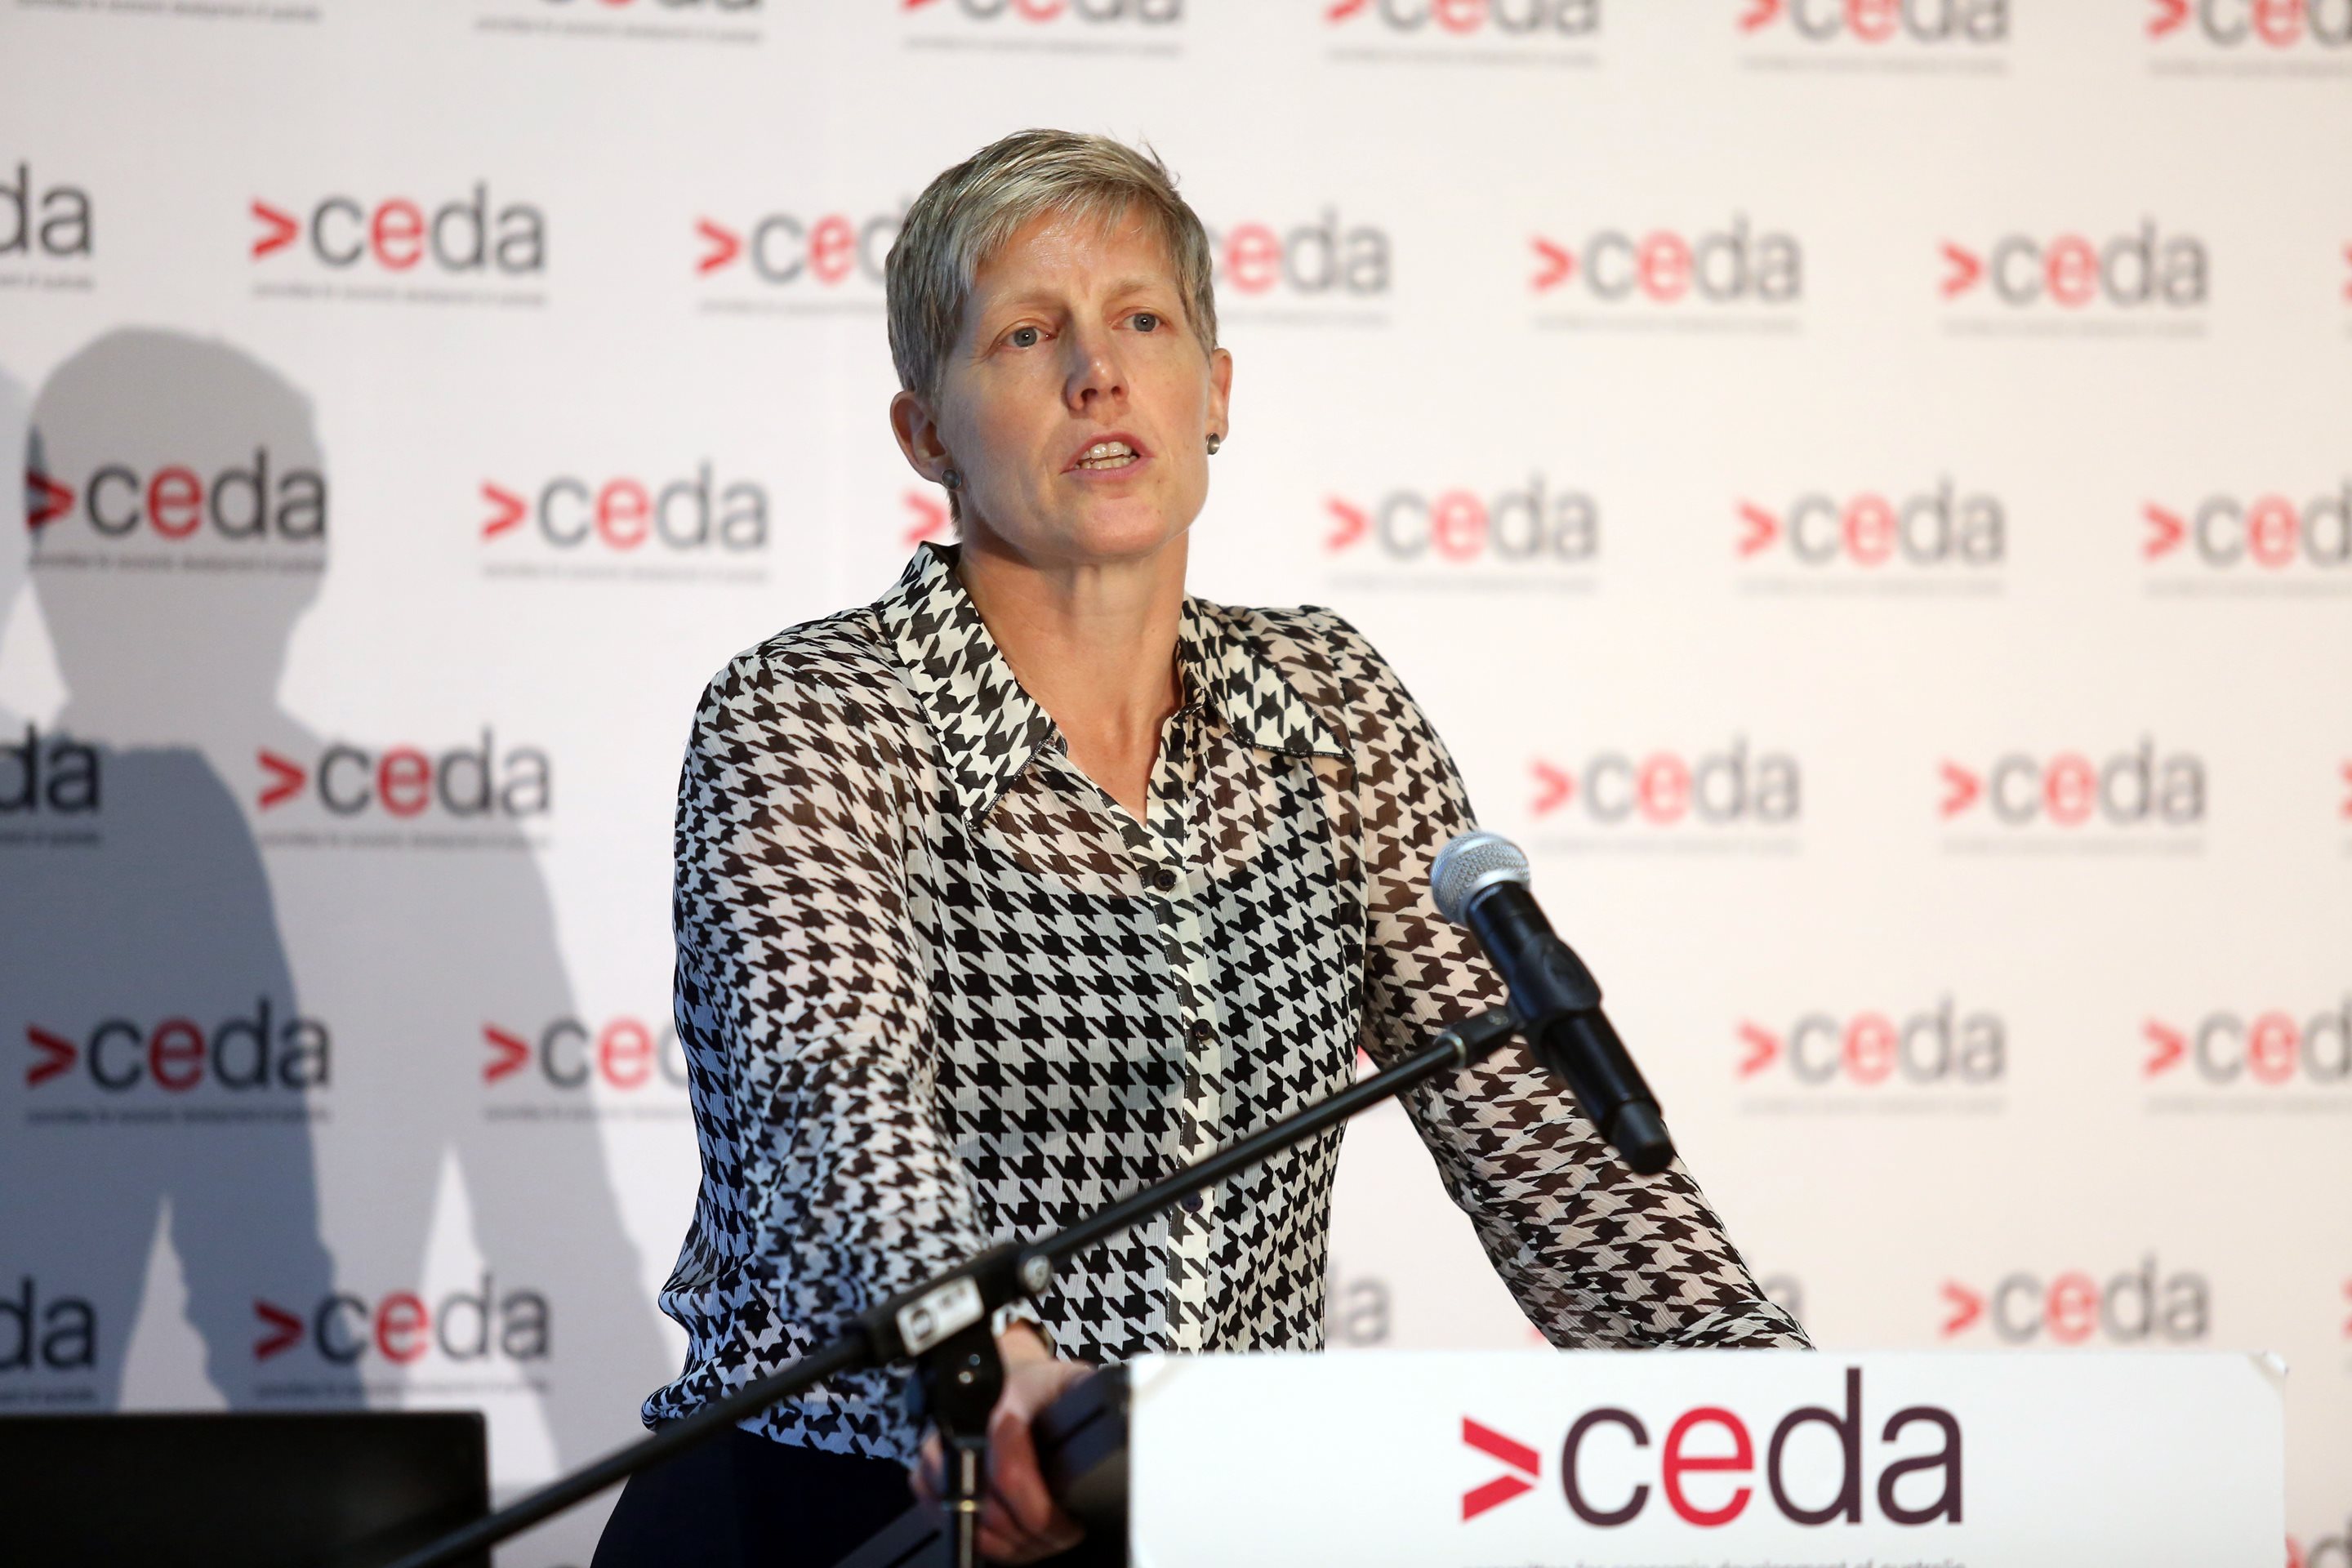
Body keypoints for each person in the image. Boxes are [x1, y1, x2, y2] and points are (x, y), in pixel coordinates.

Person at [594, 128, 1807, 1568]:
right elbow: (834, 1106)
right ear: (927, 435)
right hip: (849, 1511)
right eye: (1027, 334)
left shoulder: (1327, 702)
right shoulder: (816, 713)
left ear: (1215, 390)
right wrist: (991, 1363)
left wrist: (1788, 1420)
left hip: (1194, 1515)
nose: (1096, 374)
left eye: (1143, 323)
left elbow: (1542, 1138)